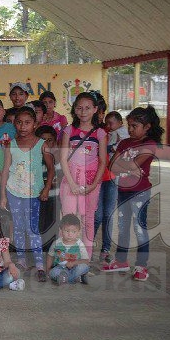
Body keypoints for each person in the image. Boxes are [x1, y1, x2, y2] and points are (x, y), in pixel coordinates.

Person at [102, 105, 163, 281]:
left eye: (134, 126)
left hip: (140, 191)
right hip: (123, 189)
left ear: (147, 127)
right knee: (123, 226)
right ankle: (121, 260)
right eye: (129, 125)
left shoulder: (149, 144)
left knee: (139, 227)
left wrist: (124, 165)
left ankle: (142, 266)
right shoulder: (124, 142)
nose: (130, 129)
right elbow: (111, 165)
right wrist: (126, 166)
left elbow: (132, 164)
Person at [0, 107, 54, 282]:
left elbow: (51, 169)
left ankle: (39, 264)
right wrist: (3, 196)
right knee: (18, 227)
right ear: (14, 124)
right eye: (19, 122)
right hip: (14, 191)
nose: (23, 126)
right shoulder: (11, 145)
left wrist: (46, 189)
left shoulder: (41, 144)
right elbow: (5, 170)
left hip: (33, 193)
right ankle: (22, 261)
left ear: (35, 124)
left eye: (27, 123)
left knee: (32, 229)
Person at [59, 92, 107, 258]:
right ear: (74, 109)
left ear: (95, 109)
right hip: (70, 181)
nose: (83, 111)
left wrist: (94, 184)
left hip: (91, 182)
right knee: (68, 218)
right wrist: (71, 183)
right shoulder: (68, 130)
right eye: (79, 108)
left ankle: (85, 259)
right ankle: (64, 257)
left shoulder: (100, 133)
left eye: (87, 108)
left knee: (88, 220)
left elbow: (102, 161)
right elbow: (63, 159)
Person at [95, 111, 129, 262]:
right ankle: (87, 247)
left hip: (113, 178)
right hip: (97, 178)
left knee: (108, 215)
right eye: (106, 122)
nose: (108, 125)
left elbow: (121, 149)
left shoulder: (122, 133)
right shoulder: (100, 132)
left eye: (111, 123)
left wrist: (109, 149)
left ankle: (105, 249)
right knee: (97, 216)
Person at [47, 214, 90, 285]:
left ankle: (65, 279)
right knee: (53, 272)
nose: (70, 234)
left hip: (75, 268)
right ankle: (75, 278)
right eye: (67, 231)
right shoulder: (56, 243)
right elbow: (50, 256)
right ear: (61, 230)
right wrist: (48, 269)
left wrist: (73, 263)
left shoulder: (80, 244)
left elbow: (86, 261)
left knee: (84, 267)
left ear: (78, 232)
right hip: (61, 268)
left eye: (74, 232)